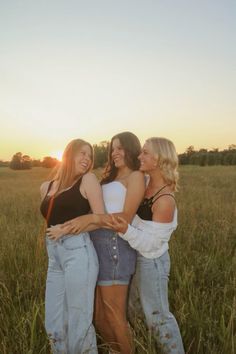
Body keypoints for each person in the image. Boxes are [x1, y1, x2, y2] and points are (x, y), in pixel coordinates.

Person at [47, 131, 146, 354]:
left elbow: (126, 218)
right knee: (99, 318)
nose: (114, 153)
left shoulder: (135, 176)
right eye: (113, 148)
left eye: (120, 148)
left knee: (114, 315)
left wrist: (92, 218)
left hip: (114, 247)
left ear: (131, 149)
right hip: (92, 245)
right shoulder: (109, 178)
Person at [107, 137, 185, 354]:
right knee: (133, 309)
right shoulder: (146, 180)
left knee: (157, 316)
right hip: (137, 255)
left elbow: (151, 244)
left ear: (159, 159)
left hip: (153, 261)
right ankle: (147, 347)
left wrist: (124, 230)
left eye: (145, 153)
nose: (139, 156)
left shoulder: (165, 200)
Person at [40, 138, 104, 354]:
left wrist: (65, 230)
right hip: (54, 255)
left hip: (78, 253)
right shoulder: (46, 187)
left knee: (79, 320)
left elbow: (100, 218)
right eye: (82, 153)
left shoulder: (87, 180)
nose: (87, 159)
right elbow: (50, 219)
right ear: (69, 154)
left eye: (90, 155)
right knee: (54, 320)